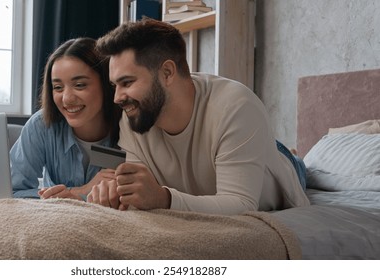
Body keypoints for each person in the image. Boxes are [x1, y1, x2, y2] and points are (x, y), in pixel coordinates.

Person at [88, 18, 310, 215]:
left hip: (277, 169)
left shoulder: (235, 106)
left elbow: (241, 203)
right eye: (114, 85)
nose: (117, 97)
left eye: (126, 83)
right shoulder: (135, 114)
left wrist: (164, 198)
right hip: (227, 150)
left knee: (298, 163)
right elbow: (142, 196)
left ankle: (293, 156)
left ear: (167, 73)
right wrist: (118, 193)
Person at [10, 38, 121, 199]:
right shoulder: (40, 125)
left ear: (106, 84)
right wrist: (80, 192)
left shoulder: (129, 127)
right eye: (58, 88)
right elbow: (15, 191)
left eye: (80, 85)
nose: (67, 99)